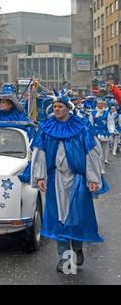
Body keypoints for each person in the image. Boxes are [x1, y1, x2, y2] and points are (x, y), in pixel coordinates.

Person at [30, 89, 105, 273]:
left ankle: (77, 249)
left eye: (60, 106)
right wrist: (40, 177)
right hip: (56, 179)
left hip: (77, 179)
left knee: (77, 216)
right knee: (58, 217)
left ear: (67, 108)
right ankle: (63, 257)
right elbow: (39, 153)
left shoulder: (81, 127)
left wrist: (93, 178)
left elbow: (92, 154)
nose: (56, 109)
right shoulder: (46, 128)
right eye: (54, 106)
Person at [89, 98, 114, 174]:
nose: (100, 105)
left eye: (101, 103)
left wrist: (111, 132)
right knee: (99, 151)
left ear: (103, 104)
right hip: (95, 134)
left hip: (105, 134)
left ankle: (102, 168)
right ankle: (97, 167)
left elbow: (110, 123)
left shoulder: (108, 113)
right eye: (98, 103)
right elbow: (90, 123)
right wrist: (90, 133)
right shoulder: (92, 113)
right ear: (96, 104)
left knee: (104, 151)